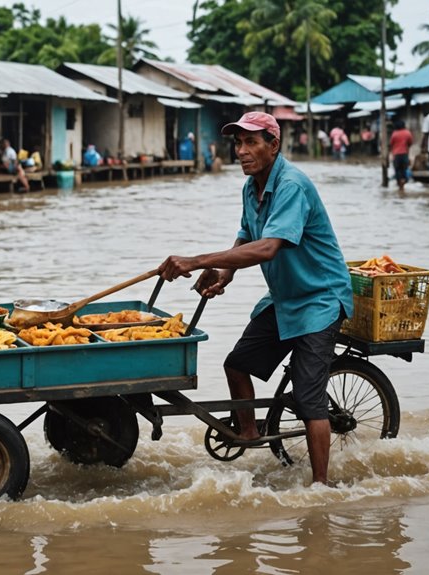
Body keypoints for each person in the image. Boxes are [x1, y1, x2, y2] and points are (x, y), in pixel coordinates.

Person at [157, 111, 353, 486]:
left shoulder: (292, 185)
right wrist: (225, 272)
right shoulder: (252, 186)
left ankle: (320, 487)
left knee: (308, 398)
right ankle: (248, 432)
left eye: (250, 142)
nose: (241, 151)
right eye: (237, 143)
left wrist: (197, 260)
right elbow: (248, 233)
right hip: (284, 298)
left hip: (320, 300)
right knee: (237, 363)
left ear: (274, 145)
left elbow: (267, 248)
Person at [389, 120, 414, 192]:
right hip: (404, 154)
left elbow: (391, 144)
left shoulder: (394, 134)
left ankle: (400, 185)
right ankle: (403, 184)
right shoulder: (407, 133)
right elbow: (410, 142)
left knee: (397, 170)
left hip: (396, 155)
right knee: (404, 169)